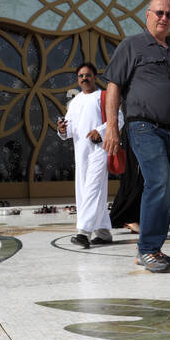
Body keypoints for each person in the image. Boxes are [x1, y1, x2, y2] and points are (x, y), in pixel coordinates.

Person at [102, 0, 170, 272]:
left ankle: (154, 249)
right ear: (147, 16)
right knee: (158, 182)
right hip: (143, 126)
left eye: (169, 15)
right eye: (159, 13)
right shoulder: (132, 45)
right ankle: (147, 249)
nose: (164, 18)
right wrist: (112, 127)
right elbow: (114, 86)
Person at [59, 63, 114, 246]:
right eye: (81, 76)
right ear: (77, 80)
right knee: (86, 191)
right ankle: (104, 232)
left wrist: (101, 130)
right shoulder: (74, 102)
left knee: (92, 189)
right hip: (81, 153)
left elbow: (118, 118)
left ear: (95, 77)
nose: (84, 78)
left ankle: (83, 232)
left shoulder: (103, 96)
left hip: (100, 150)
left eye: (88, 75)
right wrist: (61, 130)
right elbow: (69, 131)